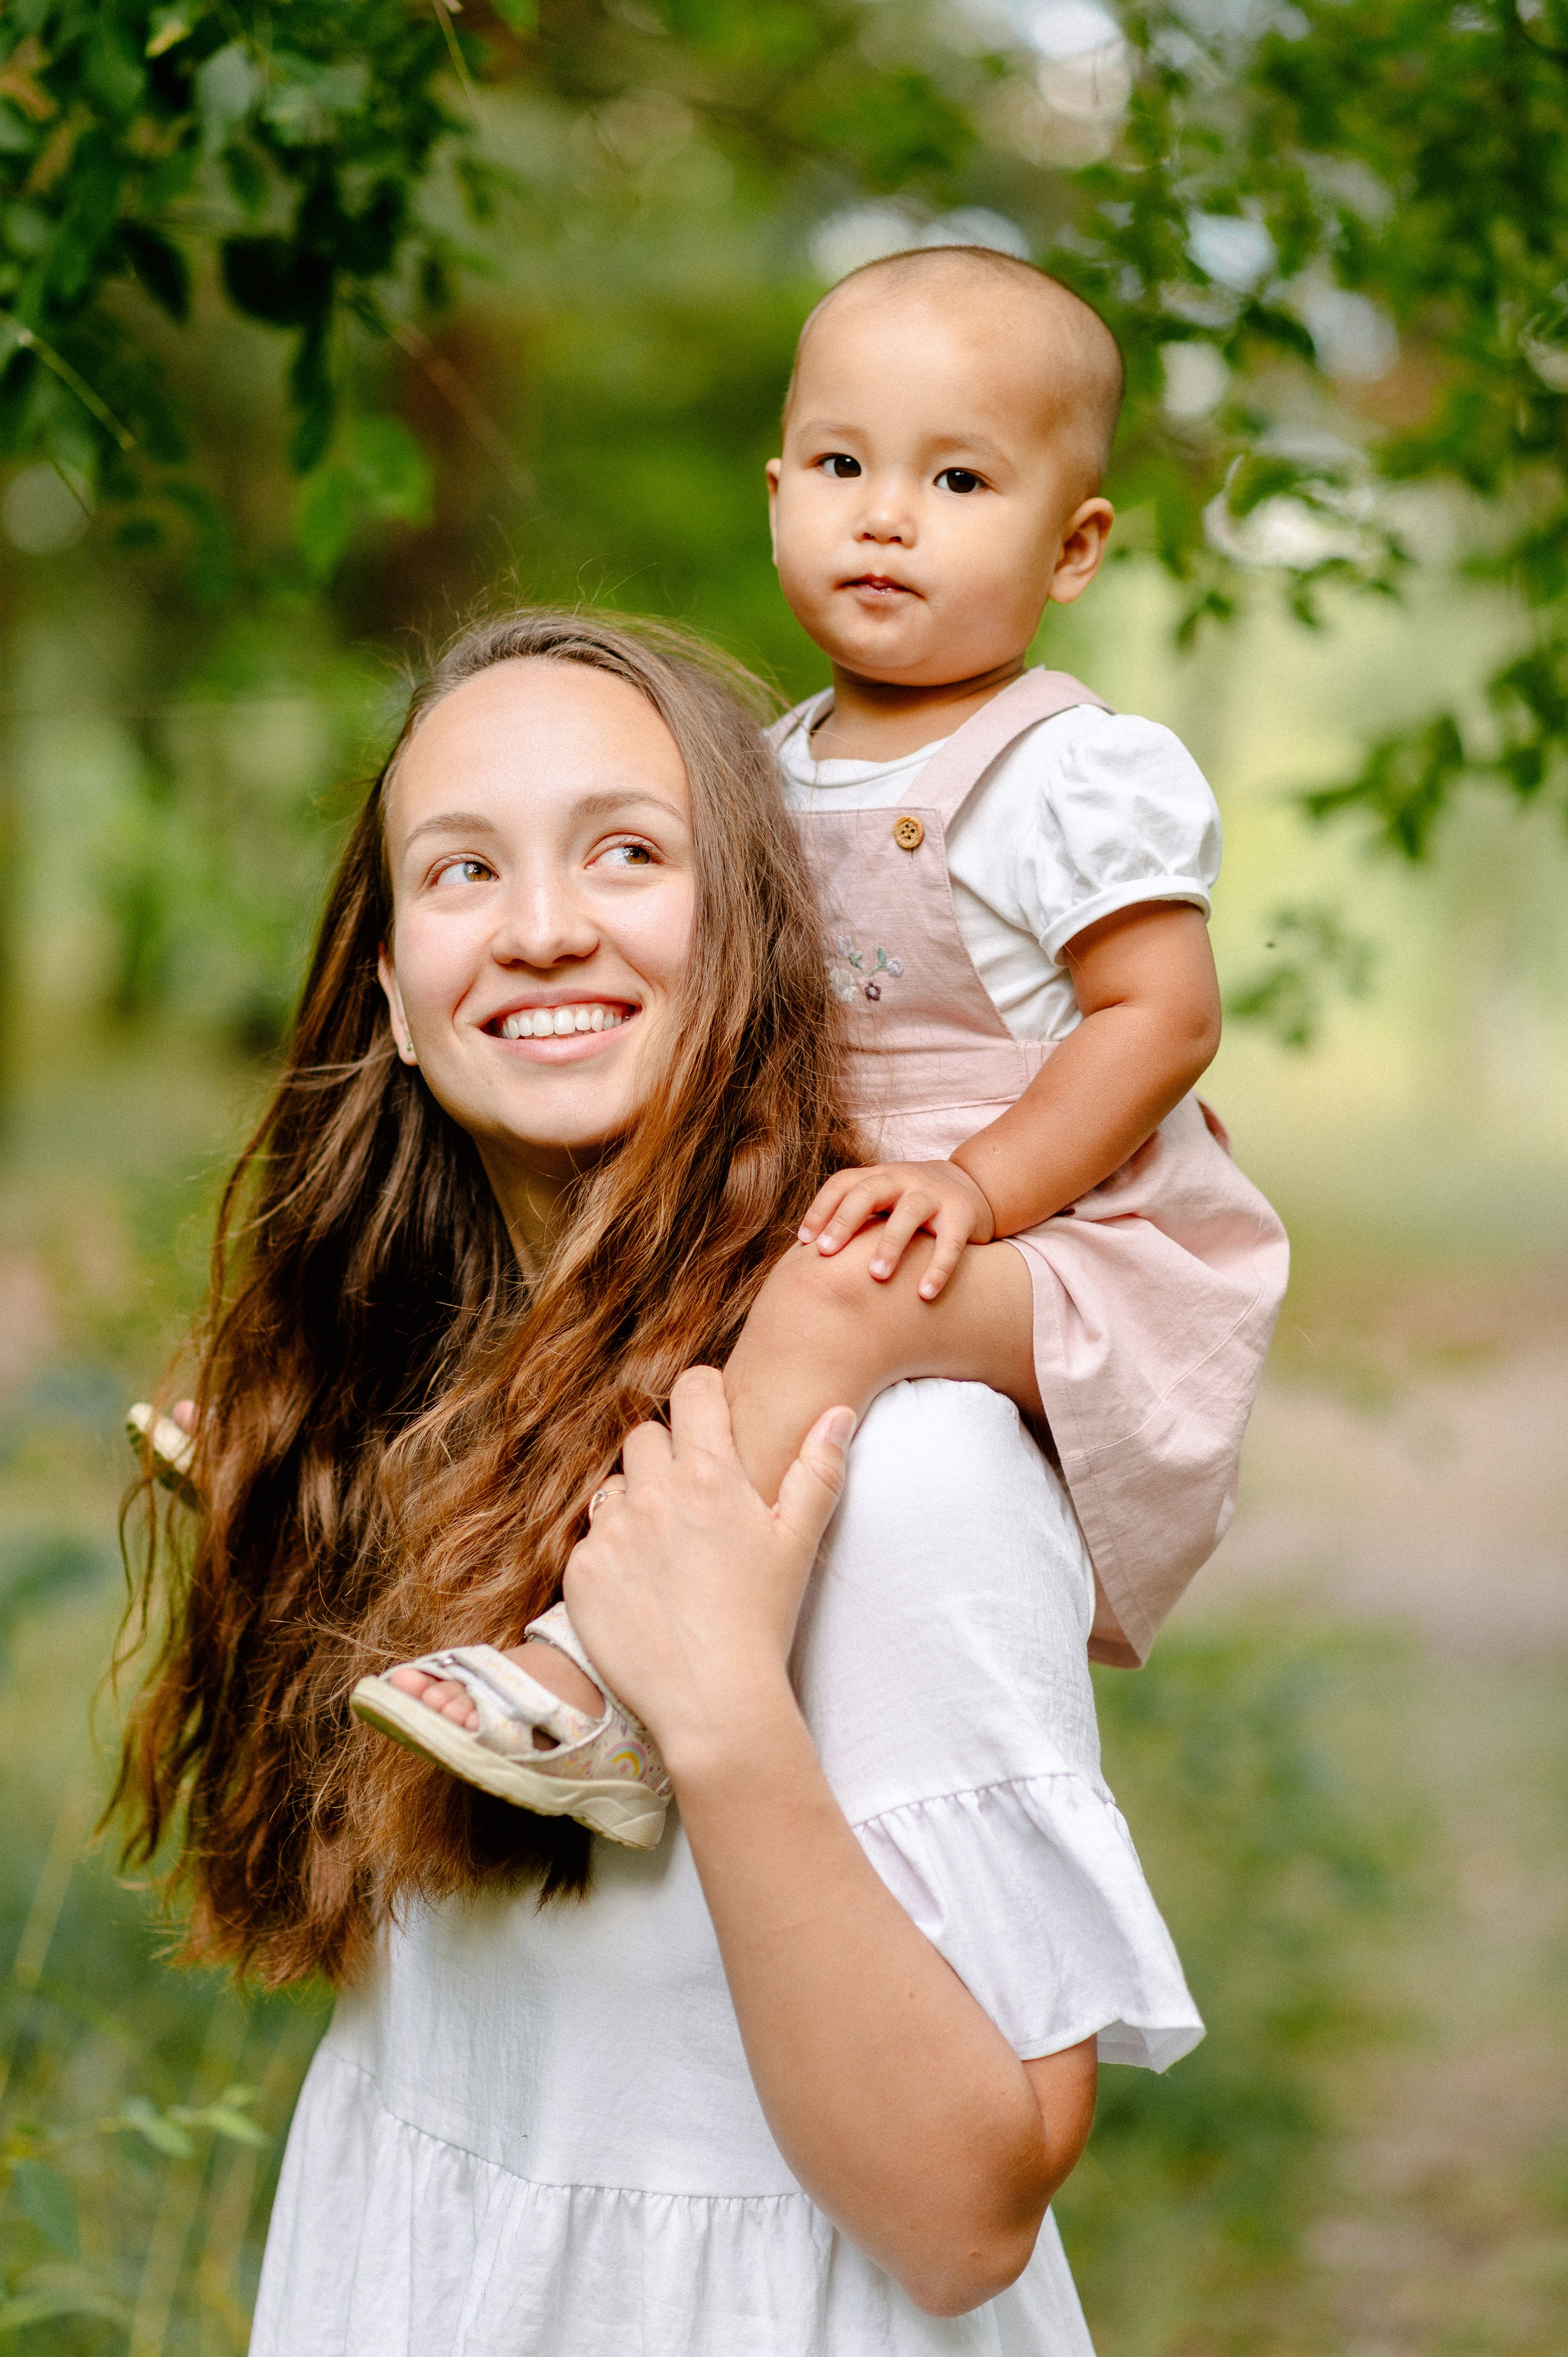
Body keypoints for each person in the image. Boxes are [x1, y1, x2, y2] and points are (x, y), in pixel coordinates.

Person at [119, 611, 1202, 2353]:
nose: (544, 926)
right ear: (391, 989)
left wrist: (719, 1711)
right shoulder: (417, 1407)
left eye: (628, 851)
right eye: (462, 870)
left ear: (765, 939)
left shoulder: (891, 1467)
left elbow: (966, 2220)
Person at [343, 246, 1287, 1846]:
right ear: (779, 494)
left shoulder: (1070, 773)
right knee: (621, 1247)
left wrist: (975, 1187)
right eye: (843, 467)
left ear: (1073, 548)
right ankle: (335, 1461)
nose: (886, 516)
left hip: (1070, 1242)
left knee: (830, 1292)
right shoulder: (765, 772)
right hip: (845, 1207)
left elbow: (1163, 1018)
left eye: (958, 480)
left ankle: (601, 1682)